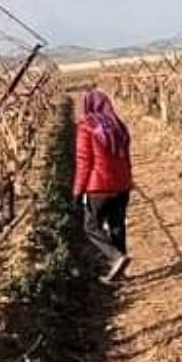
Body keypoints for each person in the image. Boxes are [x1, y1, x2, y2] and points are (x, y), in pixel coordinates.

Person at [73, 89, 133, 284]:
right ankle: (120, 271)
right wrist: (129, 180)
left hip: (99, 187)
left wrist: (77, 191)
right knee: (117, 225)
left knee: (91, 226)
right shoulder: (119, 126)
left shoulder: (87, 127)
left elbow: (84, 162)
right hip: (122, 185)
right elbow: (126, 158)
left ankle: (116, 258)